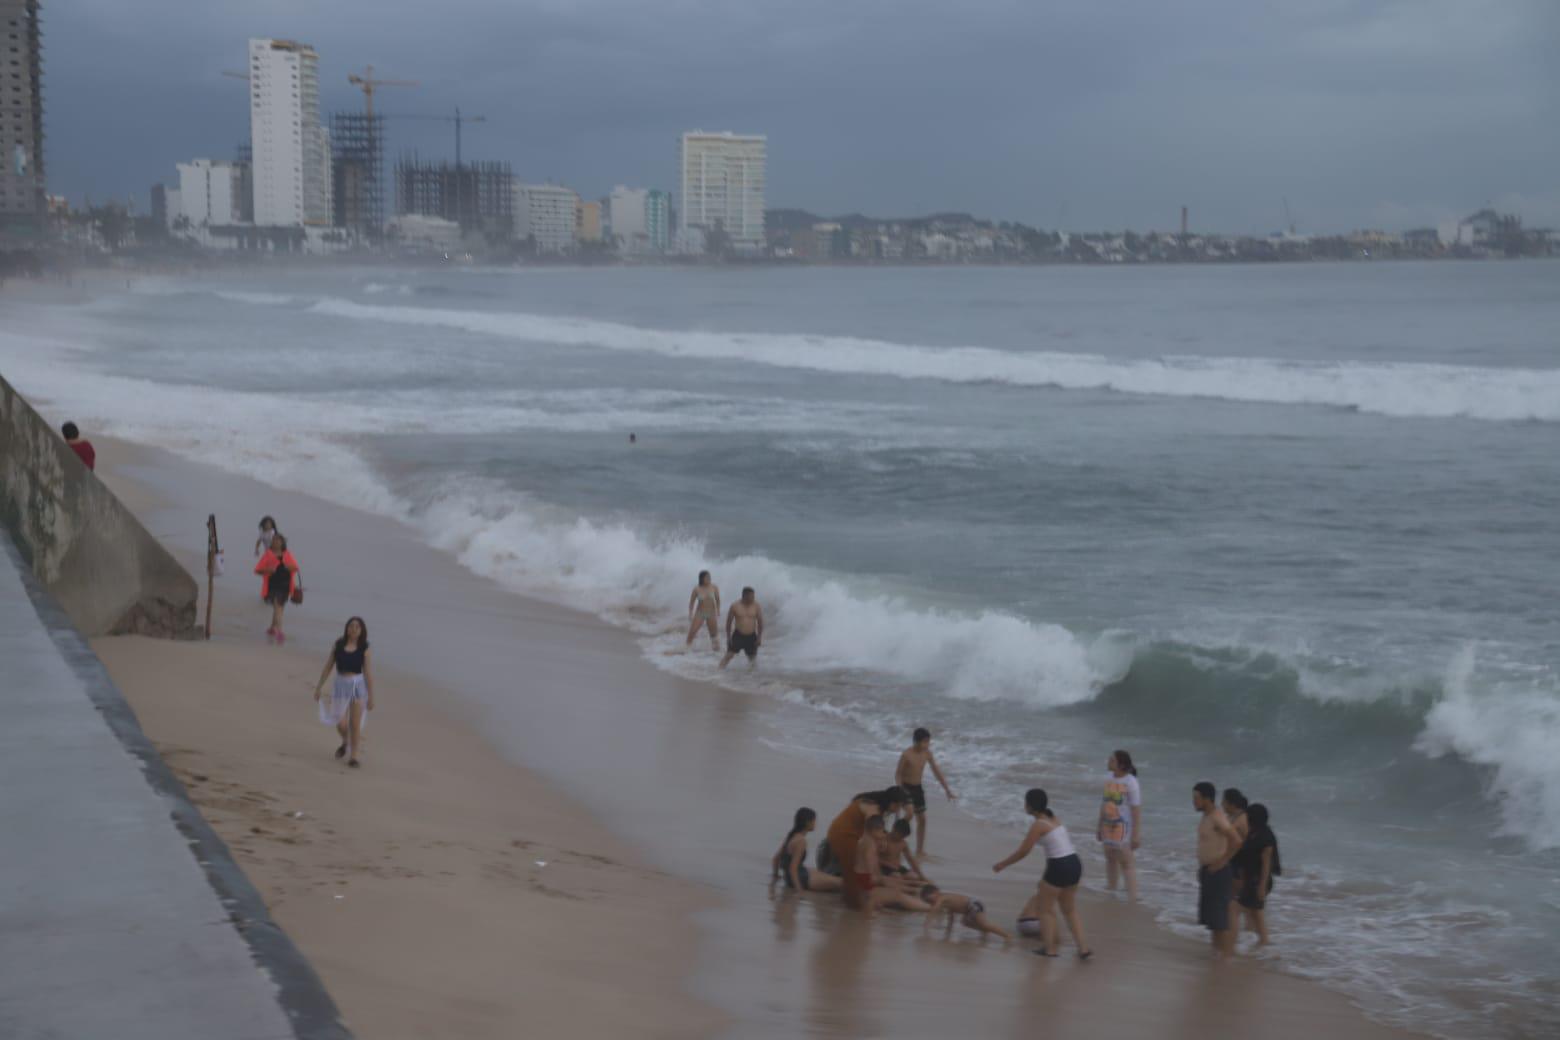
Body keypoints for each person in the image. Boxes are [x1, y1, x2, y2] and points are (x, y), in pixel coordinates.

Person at [993, 788, 1091, 959]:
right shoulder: (1054, 819)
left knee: (1044, 909)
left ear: (1031, 806)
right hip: (1074, 863)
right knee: (1069, 910)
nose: (1024, 805)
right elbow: (1056, 850)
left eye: (1025, 803)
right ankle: (1083, 948)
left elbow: (1023, 851)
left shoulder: (1038, 825)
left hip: (1059, 866)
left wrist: (1003, 864)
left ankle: (1050, 949)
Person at [824, 787, 909, 910]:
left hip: (840, 832)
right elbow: (870, 834)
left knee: (859, 866)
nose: (898, 811)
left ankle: (856, 894)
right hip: (844, 836)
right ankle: (857, 902)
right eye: (898, 806)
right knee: (859, 866)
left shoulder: (873, 804)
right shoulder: (873, 810)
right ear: (892, 803)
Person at [313, 616, 375, 768]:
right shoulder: (339, 645)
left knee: (354, 723)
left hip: (356, 685)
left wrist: (371, 696)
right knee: (340, 723)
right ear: (347, 628)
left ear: (361, 631)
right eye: (351, 626)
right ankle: (345, 741)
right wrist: (319, 686)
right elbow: (328, 666)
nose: (353, 629)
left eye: (357, 627)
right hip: (340, 684)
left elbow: (367, 673)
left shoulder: (364, 648)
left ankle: (353, 756)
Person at [1193, 781, 1243, 958]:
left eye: (1197, 798)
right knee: (1212, 920)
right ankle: (1216, 954)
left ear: (1207, 799)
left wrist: (1222, 862)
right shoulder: (1206, 816)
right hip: (1208, 871)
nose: (1194, 802)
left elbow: (1236, 841)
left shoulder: (1217, 816)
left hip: (1218, 872)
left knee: (1220, 919)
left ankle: (1225, 956)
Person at [895, 727, 956, 857]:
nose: (927, 744)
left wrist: (947, 790)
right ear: (916, 741)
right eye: (925, 741)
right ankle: (895, 838)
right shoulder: (907, 754)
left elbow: (936, 771)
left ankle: (920, 850)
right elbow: (898, 774)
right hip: (905, 787)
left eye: (928, 741)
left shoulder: (927, 753)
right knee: (910, 813)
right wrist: (900, 789)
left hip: (918, 789)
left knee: (922, 820)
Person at [1097, 750, 1143, 900]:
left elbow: (1136, 810)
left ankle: (1133, 897)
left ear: (1121, 765)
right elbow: (1104, 803)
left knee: (1126, 862)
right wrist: (1099, 826)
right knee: (1109, 857)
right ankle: (1111, 889)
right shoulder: (1108, 778)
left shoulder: (1131, 782)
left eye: (1112, 760)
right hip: (1108, 824)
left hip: (1124, 827)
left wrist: (1135, 834)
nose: (1108, 762)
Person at [1234, 803, 1280, 948]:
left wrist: (1262, 886)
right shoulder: (1254, 832)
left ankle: (1235, 942)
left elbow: (1267, 864)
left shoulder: (1266, 837)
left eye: (1248, 816)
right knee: (1255, 912)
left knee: (1237, 909)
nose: (1246, 818)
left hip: (1259, 880)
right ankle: (1263, 943)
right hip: (1251, 879)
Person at [772, 807, 841, 893]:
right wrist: (799, 890)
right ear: (808, 822)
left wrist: (775, 876)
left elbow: (775, 859)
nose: (816, 824)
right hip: (801, 879)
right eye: (814, 821)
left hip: (789, 877)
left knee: (824, 873)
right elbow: (793, 868)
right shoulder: (801, 841)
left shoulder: (791, 836)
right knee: (842, 883)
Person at [253, 533, 301, 644]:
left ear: (282, 543)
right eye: (274, 540)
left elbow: (295, 568)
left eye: (278, 540)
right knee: (277, 607)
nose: (275, 542)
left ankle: (272, 628)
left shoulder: (287, 554)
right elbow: (257, 570)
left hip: (285, 585)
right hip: (272, 585)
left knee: (279, 608)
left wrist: (288, 566)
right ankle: (279, 631)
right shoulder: (268, 554)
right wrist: (268, 570)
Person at [920, 884, 1011, 940]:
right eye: (928, 903)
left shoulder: (942, 898)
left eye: (930, 900)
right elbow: (951, 917)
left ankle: (1006, 935)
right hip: (968, 910)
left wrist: (927, 922)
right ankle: (985, 931)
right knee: (965, 923)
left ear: (936, 892)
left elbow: (935, 909)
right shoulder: (945, 903)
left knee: (983, 923)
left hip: (973, 904)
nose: (930, 904)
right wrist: (948, 931)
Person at [719, 586, 764, 670]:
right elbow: (728, 623)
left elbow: (760, 622)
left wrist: (759, 637)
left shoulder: (756, 606)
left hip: (751, 636)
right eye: (751, 596)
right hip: (738, 635)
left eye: (753, 596)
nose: (753, 598)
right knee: (729, 655)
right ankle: (718, 672)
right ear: (745, 596)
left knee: (752, 659)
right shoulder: (735, 606)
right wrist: (728, 638)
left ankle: (751, 678)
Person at [686, 570, 721, 651]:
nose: (709, 579)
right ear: (701, 579)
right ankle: (686, 649)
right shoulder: (696, 589)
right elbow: (691, 603)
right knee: (692, 632)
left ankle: (716, 653)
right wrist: (690, 613)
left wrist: (718, 610)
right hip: (700, 613)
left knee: (714, 635)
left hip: (711, 613)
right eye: (707, 577)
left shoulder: (714, 587)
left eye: (709, 577)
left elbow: (718, 600)